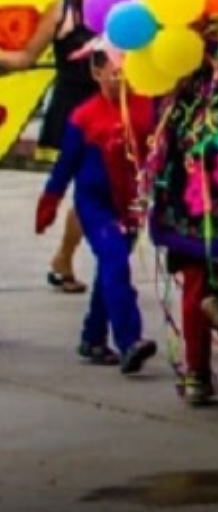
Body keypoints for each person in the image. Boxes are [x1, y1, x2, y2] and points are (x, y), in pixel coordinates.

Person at [0, 0, 119, 295]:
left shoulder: (124, 8)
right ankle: (70, 260)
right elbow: (25, 58)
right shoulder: (62, 11)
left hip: (110, 110)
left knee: (95, 188)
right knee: (91, 187)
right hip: (73, 113)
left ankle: (65, 259)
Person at [34, 45, 158, 370]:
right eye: (115, 73)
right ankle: (130, 340)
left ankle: (92, 338)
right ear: (97, 72)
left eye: (128, 72)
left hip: (131, 204)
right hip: (95, 205)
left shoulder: (148, 109)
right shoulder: (84, 116)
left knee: (109, 270)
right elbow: (66, 164)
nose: (121, 80)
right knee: (115, 262)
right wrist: (50, 201)